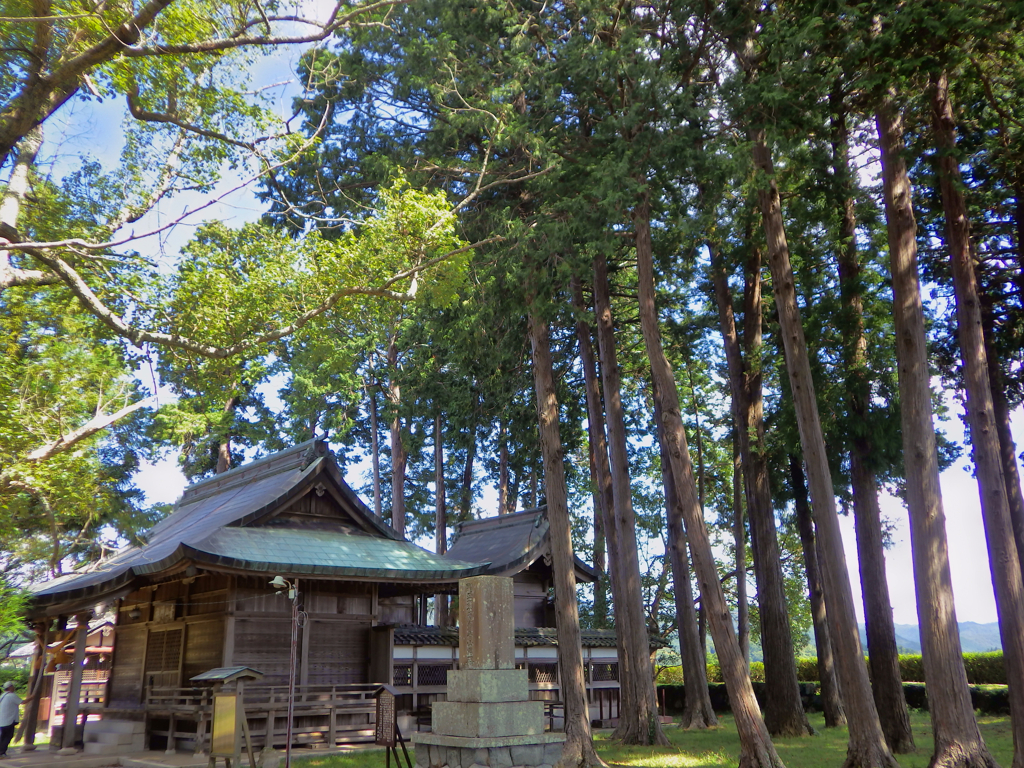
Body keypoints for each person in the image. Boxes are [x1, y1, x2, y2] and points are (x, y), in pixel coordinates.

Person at [0, 681, 20, 759]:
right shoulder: (11, 695)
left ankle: (1, 752)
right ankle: (2, 753)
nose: (14, 688)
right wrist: (33, 697)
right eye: (13, 686)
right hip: (9, 720)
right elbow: (23, 702)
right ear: (10, 687)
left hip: (2, 720)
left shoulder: (2, 696)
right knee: (8, 736)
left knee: (3, 737)